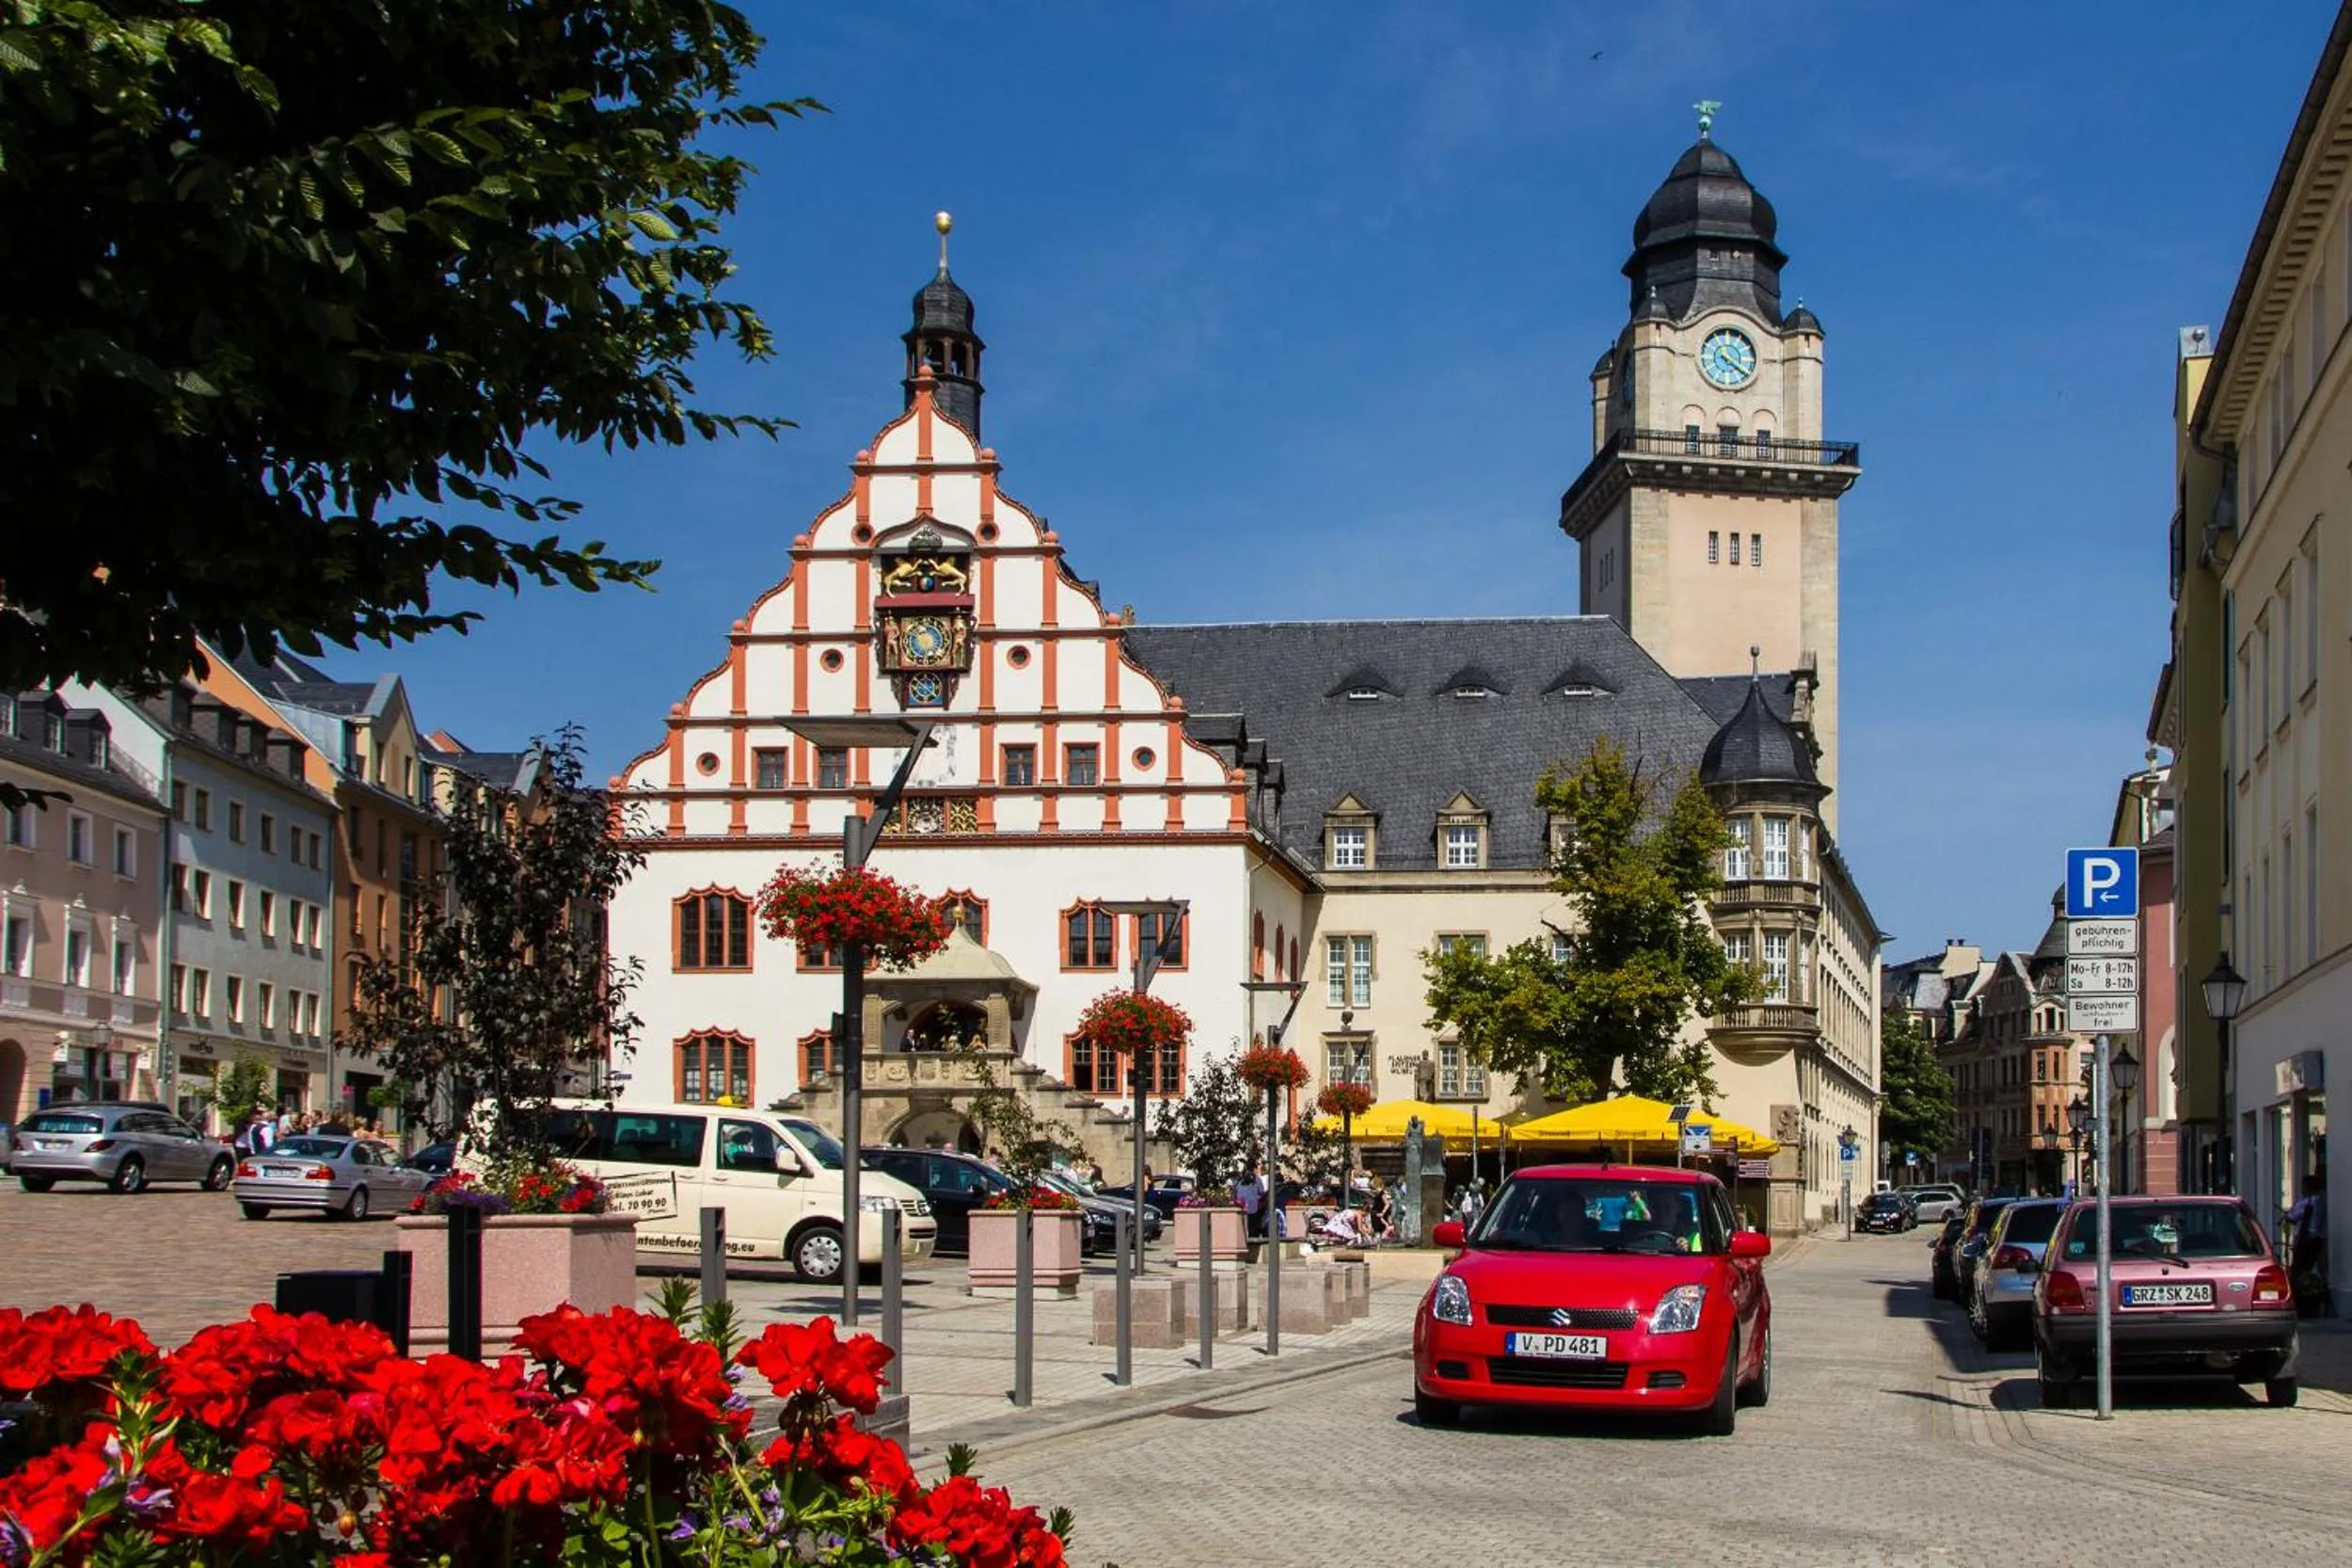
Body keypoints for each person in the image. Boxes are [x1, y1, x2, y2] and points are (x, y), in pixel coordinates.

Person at [1234, 1164, 1267, 1239]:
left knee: (1241, 1228)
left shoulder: (1238, 1179)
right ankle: (1253, 1242)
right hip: (1252, 1209)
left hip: (1241, 1207)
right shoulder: (1257, 1179)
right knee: (1253, 1228)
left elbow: (1235, 1192)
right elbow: (1262, 1192)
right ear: (1253, 1169)